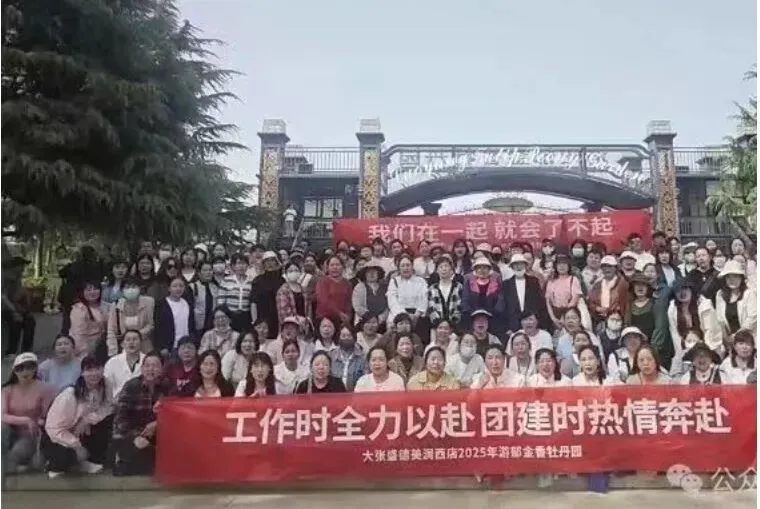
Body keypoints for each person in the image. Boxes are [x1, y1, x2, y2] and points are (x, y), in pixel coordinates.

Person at [43, 355, 113, 478]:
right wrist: (77, 445)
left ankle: (85, 461)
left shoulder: (105, 384)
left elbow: (107, 406)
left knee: (106, 421)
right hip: (56, 434)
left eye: (97, 369)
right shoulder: (69, 395)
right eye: (89, 370)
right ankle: (55, 463)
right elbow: (53, 428)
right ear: (82, 373)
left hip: (80, 429)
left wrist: (87, 419)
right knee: (63, 457)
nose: (94, 373)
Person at [112, 352, 168, 476]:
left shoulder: (167, 386)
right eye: (147, 366)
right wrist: (136, 436)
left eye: (155, 366)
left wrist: (157, 424)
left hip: (158, 436)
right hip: (133, 435)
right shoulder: (131, 386)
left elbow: (174, 416)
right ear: (142, 369)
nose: (150, 369)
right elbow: (120, 419)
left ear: (161, 369)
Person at [1, 353, 55, 473]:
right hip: (10, 432)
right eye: (20, 368)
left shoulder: (45, 389)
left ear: (35, 368)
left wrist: (39, 422)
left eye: (29, 367)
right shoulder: (7, 390)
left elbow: (48, 416)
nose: (24, 371)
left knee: (15, 454)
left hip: (31, 434)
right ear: (14, 371)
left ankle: (16, 466)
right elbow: (2, 415)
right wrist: (26, 420)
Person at [502, 254, 549, 335]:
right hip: (513, 328)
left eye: (521, 264)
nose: (518, 267)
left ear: (525, 266)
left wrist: (542, 324)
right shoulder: (506, 284)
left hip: (532, 326)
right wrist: (507, 328)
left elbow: (540, 304)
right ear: (512, 267)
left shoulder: (534, 282)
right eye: (515, 265)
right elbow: (504, 307)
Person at [106, 278, 155, 357]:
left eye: (133, 287)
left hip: (145, 348)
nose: (130, 290)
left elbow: (151, 325)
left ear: (139, 288)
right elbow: (111, 330)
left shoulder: (149, 302)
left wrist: (135, 337)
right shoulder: (116, 305)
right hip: (123, 347)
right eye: (127, 287)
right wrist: (113, 352)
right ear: (122, 290)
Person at [714, 260, 756, 342]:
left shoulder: (749, 293)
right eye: (728, 277)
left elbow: (753, 317)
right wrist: (726, 338)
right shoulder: (720, 294)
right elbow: (720, 319)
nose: (732, 280)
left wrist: (736, 336)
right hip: (729, 339)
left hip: (749, 338)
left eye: (736, 276)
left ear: (741, 278)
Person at [2, 256, 36, 358]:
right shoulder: (3, 277)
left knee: (30, 320)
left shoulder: (17, 278)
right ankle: (11, 352)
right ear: (15, 267)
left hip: (13, 306)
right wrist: (14, 311)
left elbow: (17, 296)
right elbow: (2, 297)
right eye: (22, 266)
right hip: (4, 308)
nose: (23, 269)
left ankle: (26, 351)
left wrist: (25, 308)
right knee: (16, 321)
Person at [154, 277, 196, 358]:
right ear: (169, 288)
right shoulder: (161, 305)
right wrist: (162, 347)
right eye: (175, 286)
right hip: (170, 347)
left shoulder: (187, 303)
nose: (178, 289)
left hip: (186, 346)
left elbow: (192, 325)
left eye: (181, 286)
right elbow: (158, 328)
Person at [217, 253, 256, 333]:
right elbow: (221, 302)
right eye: (238, 263)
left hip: (246, 317)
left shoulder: (252, 281)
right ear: (233, 266)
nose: (241, 266)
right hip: (230, 316)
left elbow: (254, 301)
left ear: (247, 265)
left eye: (244, 263)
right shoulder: (226, 280)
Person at [461, 256, 503, 330]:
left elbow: (500, 300)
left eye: (485, 268)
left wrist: (495, 313)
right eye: (479, 268)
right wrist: (470, 313)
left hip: (493, 319)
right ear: (475, 270)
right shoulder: (469, 282)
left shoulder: (496, 282)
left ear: (489, 270)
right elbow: (465, 300)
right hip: (472, 318)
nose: (482, 270)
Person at [103, 330, 146, 400]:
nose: (131, 342)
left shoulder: (147, 360)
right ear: (122, 344)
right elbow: (107, 387)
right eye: (128, 340)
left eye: (135, 339)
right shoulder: (112, 362)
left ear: (141, 342)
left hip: (142, 401)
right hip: (117, 401)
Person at [588, 255, 629, 328]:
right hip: (599, 321)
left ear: (615, 268)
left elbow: (625, 304)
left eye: (610, 266)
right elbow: (590, 302)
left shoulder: (623, 283)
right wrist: (597, 308)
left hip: (617, 320)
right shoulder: (597, 284)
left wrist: (609, 311)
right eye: (604, 266)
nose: (607, 269)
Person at [69, 281, 107, 358]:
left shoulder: (104, 306)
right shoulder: (79, 309)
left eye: (95, 289)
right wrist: (84, 355)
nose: (92, 292)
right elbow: (78, 335)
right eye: (88, 290)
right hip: (86, 348)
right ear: (82, 292)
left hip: (101, 345)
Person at [545, 254, 584, 331]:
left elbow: (574, 300)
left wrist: (564, 316)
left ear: (569, 266)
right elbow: (548, 301)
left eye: (564, 264)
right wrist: (553, 318)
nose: (561, 266)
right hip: (555, 313)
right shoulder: (551, 280)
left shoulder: (573, 279)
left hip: (570, 313)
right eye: (559, 264)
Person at [427, 256, 463, 330]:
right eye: (441, 267)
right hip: (437, 327)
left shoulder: (458, 287)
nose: (444, 269)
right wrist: (440, 324)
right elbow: (431, 308)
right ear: (437, 271)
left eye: (446, 266)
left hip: (455, 327)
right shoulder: (432, 288)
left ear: (451, 270)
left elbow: (459, 307)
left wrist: (452, 323)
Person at [315, 256, 353, 326]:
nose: (335, 267)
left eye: (337, 265)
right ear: (328, 268)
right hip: (325, 320)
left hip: (342, 320)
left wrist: (348, 317)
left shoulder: (347, 283)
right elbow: (324, 300)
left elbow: (349, 302)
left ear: (342, 267)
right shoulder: (322, 282)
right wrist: (339, 313)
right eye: (332, 265)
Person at [330, 325, 365, 391]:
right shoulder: (331, 356)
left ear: (354, 338)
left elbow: (365, 380)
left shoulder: (362, 357)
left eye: (349, 335)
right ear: (339, 338)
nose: (346, 338)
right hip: (334, 394)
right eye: (343, 336)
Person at [189, 261, 218, 334]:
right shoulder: (192, 287)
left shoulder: (215, 287)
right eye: (205, 270)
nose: (208, 272)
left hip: (212, 326)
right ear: (199, 273)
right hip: (197, 327)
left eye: (210, 270)